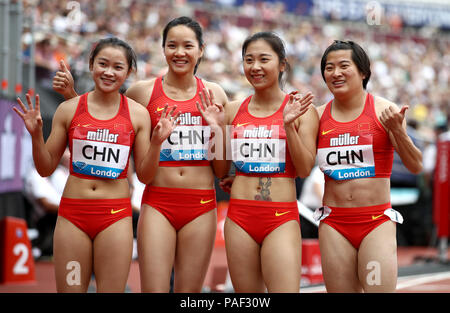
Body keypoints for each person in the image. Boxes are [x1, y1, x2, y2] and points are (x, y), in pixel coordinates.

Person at [53, 17, 229, 293]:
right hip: (158, 203)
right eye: (172, 45)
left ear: (201, 50)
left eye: (187, 46)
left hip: (201, 205)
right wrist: (71, 95)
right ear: (163, 49)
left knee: (189, 294)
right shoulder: (142, 93)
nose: (179, 52)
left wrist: (217, 129)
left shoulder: (215, 93)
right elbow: (104, 120)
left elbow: (220, 169)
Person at [15, 37, 178, 292]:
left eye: (117, 67)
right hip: (73, 218)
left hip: (114, 218)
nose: (109, 72)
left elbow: (146, 177)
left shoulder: (137, 114)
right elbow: (45, 168)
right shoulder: (68, 109)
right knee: (71, 288)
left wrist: (157, 143)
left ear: (128, 72)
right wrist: (36, 135)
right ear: (91, 65)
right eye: (103, 64)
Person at [206, 31, 318, 292]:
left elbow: (302, 169)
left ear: (282, 64)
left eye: (263, 59)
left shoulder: (302, 110)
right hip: (240, 218)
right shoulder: (233, 110)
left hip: (280, 217)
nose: (255, 67)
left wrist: (288, 125)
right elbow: (221, 170)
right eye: (248, 60)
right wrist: (217, 129)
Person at [314, 40, 423, 292]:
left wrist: (398, 132)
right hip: (334, 223)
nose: (336, 73)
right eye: (329, 68)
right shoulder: (318, 116)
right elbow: (300, 165)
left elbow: (416, 165)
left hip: (375, 221)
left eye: (344, 66)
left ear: (363, 72)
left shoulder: (385, 111)